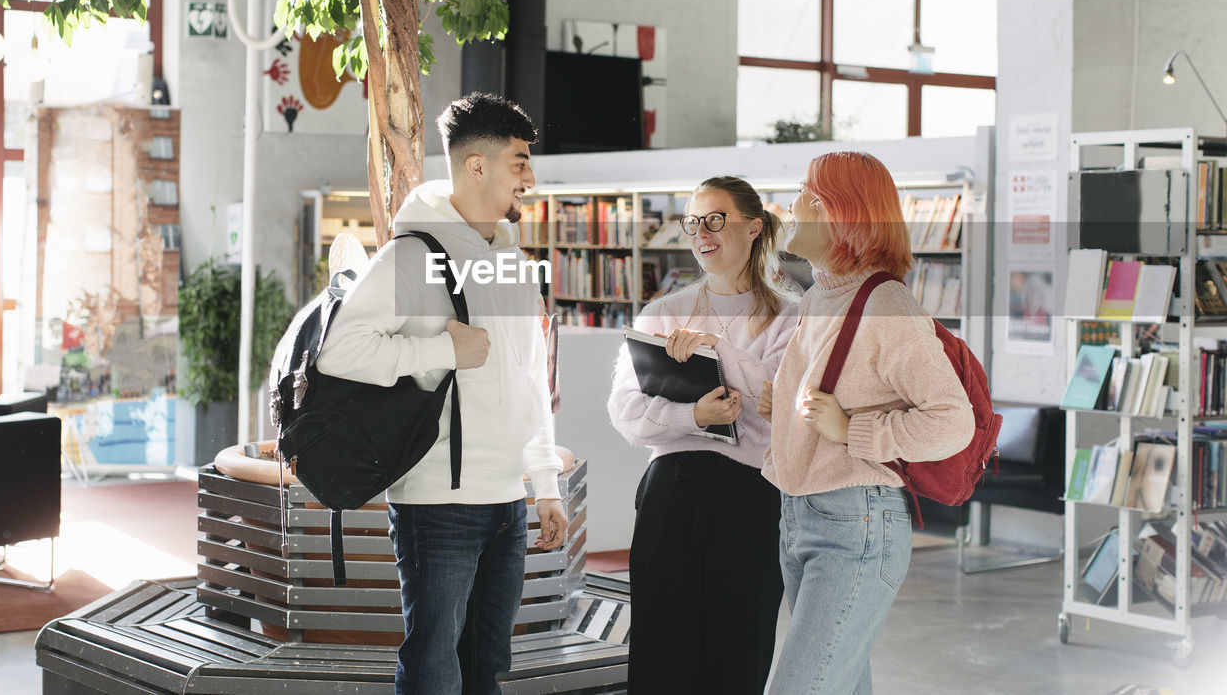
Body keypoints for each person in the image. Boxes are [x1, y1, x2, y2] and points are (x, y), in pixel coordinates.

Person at [316, 92, 568, 695]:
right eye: (519, 161)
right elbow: (340, 351)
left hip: (506, 503)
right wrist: (442, 352)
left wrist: (545, 487)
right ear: (476, 166)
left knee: (486, 669)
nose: (530, 177)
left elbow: (531, 381)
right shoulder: (412, 256)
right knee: (434, 668)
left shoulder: (510, 262)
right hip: (439, 505)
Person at [760, 151, 974, 695]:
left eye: (806, 194)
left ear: (839, 211)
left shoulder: (887, 303)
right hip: (801, 515)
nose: (792, 205)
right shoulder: (821, 296)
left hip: (855, 524)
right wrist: (781, 406)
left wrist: (854, 431)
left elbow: (953, 421)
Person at [607, 175, 800, 695]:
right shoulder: (663, 313)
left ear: (755, 227)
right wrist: (693, 417)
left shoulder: (790, 316)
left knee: (741, 642)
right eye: (694, 221)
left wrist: (719, 351)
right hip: (671, 489)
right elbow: (626, 411)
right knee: (661, 644)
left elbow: (784, 406)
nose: (702, 232)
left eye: (716, 219)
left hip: (753, 497)